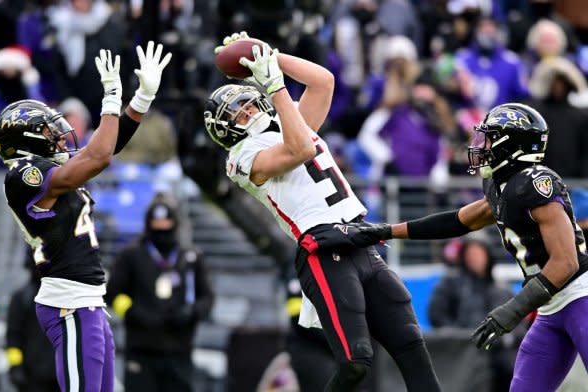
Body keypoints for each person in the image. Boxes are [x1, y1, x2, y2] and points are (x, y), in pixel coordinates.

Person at [204, 32, 441, 392]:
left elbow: (323, 81)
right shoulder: (241, 158)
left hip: (360, 239)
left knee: (410, 345)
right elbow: (299, 150)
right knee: (355, 361)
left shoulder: (289, 123)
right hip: (322, 249)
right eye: (237, 113)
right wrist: (276, 88)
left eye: (249, 104)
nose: (249, 112)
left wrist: (266, 55)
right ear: (225, 131)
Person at [339, 102, 588, 391]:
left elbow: (566, 262)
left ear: (512, 144)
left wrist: (511, 311)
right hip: (551, 308)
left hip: (580, 298)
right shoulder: (501, 186)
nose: (481, 145)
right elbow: (457, 222)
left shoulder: (535, 184)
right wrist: (385, 231)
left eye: (490, 138)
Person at [0, 41, 171, 392]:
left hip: (87, 300)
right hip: (67, 302)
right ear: (25, 139)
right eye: (47, 132)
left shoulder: (49, 169)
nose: (58, 138)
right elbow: (99, 157)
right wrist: (110, 100)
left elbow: (107, 146)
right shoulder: (23, 175)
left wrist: (140, 101)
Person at [106, 193, 213, 392]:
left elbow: (207, 298)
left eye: (166, 222)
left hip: (179, 351)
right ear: (148, 223)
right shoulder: (130, 255)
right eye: (157, 222)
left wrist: (191, 312)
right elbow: (112, 293)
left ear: (175, 223)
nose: (162, 227)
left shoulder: (190, 257)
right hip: (141, 350)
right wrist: (134, 312)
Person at [428, 237, 517, 392]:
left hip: (498, 356)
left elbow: (517, 324)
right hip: (463, 354)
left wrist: (503, 340)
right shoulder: (450, 284)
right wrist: (461, 337)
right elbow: (437, 315)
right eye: (471, 253)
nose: (475, 258)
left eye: (479, 253)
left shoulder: (501, 289)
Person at [6, 248, 58, 392]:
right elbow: (13, 338)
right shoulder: (22, 297)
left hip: (62, 377)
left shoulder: (68, 298)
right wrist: (15, 367)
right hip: (32, 378)